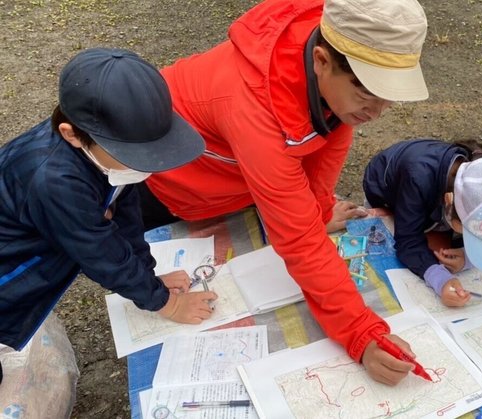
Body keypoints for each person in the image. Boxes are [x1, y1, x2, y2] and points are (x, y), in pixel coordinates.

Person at [137, 0, 429, 385]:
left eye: (389, 94)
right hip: (163, 184)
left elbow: (329, 132)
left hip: (229, 175)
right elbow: (298, 239)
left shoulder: (333, 46)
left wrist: (320, 208)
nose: (377, 111)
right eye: (366, 92)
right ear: (322, 61)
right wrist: (360, 332)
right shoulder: (252, 108)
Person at [0, 48, 218, 364]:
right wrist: (165, 303)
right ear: (72, 134)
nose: (145, 166)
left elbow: (127, 215)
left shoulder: (106, 155)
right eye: (132, 155)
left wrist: (148, 276)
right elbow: (100, 254)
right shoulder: (54, 181)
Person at [362, 139, 482, 306]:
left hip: (432, 196)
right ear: (448, 202)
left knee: (438, 250)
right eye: (473, 235)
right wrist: (440, 279)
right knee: (413, 246)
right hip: (385, 190)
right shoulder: (417, 177)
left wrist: (467, 258)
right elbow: (408, 240)